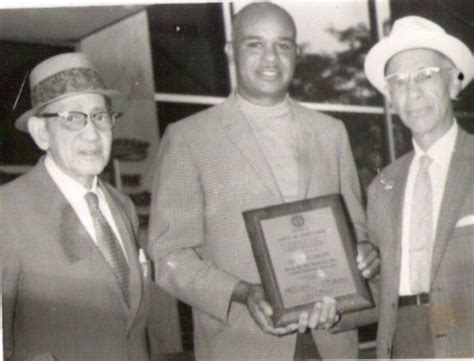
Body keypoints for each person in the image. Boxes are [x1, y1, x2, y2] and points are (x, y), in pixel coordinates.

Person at [148, 3, 378, 360]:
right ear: (230, 51)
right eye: (255, 44)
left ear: (296, 54)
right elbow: (168, 256)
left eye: (283, 45)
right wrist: (240, 291)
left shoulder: (331, 133)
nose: (271, 57)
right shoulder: (189, 137)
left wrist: (364, 254)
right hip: (243, 344)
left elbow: (356, 232)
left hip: (331, 342)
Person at [0, 53, 151, 361]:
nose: (92, 134)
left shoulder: (122, 206)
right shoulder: (8, 212)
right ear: (42, 133)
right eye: (73, 118)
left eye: (99, 116)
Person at [364, 16, 474, 358]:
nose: (412, 93)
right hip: (404, 346)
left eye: (425, 76)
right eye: (398, 82)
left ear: (454, 84)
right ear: (390, 99)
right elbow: (379, 293)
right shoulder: (382, 187)